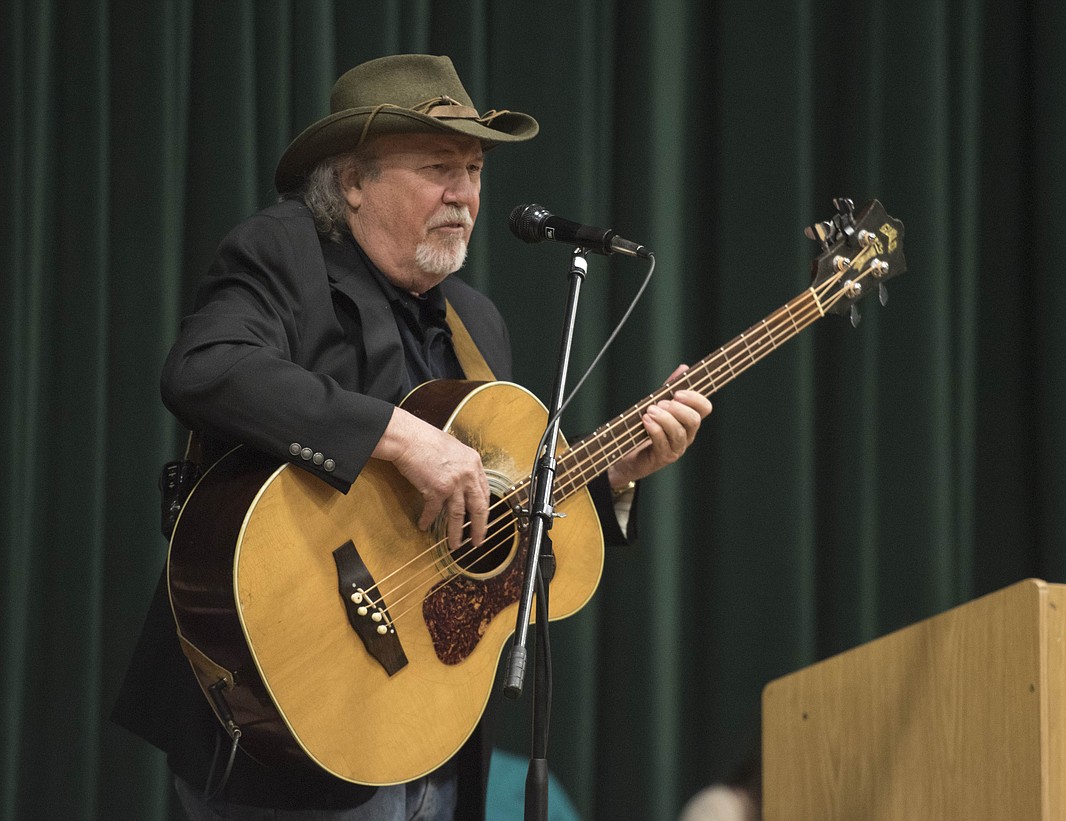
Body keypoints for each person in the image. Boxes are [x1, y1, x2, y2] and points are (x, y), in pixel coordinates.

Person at [113, 54, 711, 821]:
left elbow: (493, 512)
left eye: (474, 168)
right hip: (289, 716)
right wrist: (397, 436)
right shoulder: (283, 252)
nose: (464, 194)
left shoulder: (477, 321)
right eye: (438, 167)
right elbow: (204, 369)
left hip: (428, 727)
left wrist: (615, 476)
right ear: (352, 181)